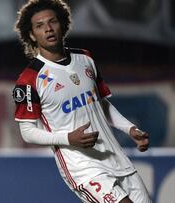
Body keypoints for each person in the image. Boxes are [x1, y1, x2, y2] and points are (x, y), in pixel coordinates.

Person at [13, 0, 151, 202]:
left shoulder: (85, 59)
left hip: (117, 159)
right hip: (83, 168)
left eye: (52, 22)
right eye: (40, 25)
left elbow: (99, 104)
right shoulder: (29, 80)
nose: (48, 29)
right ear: (32, 35)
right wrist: (68, 138)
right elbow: (27, 132)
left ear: (63, 25)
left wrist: (129, 129)